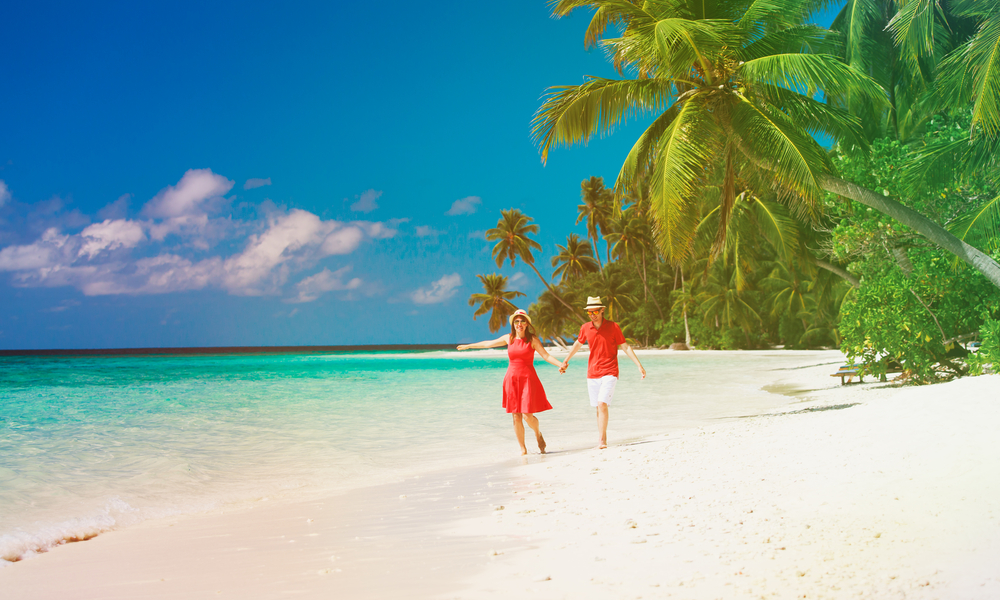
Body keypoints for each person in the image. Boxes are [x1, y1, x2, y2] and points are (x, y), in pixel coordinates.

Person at [457, 309, 564, 455]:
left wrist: (560, 365)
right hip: (511, 379)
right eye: (516, 321)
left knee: (527, 415)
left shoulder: (532, 340)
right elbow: (489, 344)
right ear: (513, 324)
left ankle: (538, 433)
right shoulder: (509, 338)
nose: (519, 324)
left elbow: (546, 356)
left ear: (527, 324)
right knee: (516, 415)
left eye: (522, 321)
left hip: (528, 379)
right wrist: (469, 346)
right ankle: (523, 449)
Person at [559, 296, 646, 449]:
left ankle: (602, 440)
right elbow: (578, 344)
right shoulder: (585, 328)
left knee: (602, 403)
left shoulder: (613, 327)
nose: (593, 314)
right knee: (598, 407)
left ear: (602, 310)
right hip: (592, 373)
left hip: (610, 370)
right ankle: (602, 436)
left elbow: (625, 346)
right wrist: (566, 360)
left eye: (595, 311)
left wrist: (639, 365)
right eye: (589, 312)